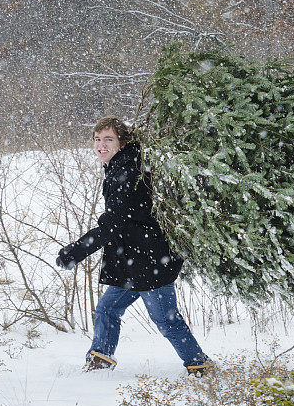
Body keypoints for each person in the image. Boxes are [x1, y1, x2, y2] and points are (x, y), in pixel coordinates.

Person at [56, 116, 212, 374]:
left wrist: (75, 252)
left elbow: (113, 223)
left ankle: (200, 365)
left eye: (108, 139)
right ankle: (99, 361)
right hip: (132, 261)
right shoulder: (121, 166)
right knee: (107, 309)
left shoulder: (127, 172)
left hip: (150, 261)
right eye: (97, 139)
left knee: (165, 320)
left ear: (122, 142)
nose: (101, 146)